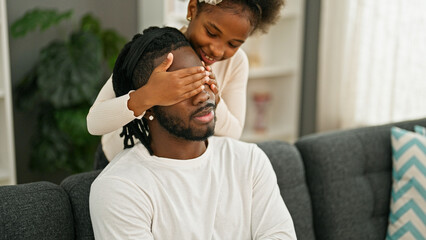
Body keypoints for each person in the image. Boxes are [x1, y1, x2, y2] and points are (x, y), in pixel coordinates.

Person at [89, 27, 296, 239]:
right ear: (148, 105)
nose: (201, 96)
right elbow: (94, 122)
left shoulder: (251, 161)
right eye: (183, 88)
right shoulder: (119, 189)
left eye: (202, 78)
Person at [86, 0, 285, 161]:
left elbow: (233, 134)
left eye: (233, 44)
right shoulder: (155, 50)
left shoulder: (236, 63)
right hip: (118, 160)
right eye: (211, 33)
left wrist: (214, 98)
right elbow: (94, 122)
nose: (217, 50)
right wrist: (148, 95)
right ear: (192, 9)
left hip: (170, 168)